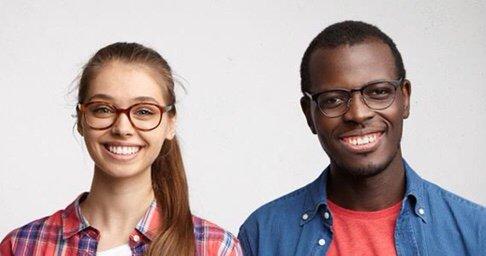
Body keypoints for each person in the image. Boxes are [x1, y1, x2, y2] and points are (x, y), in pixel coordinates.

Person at [238, 21, 485, 255]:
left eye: (378, 92)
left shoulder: (476, 232)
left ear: (405, 98)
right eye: (333, 99)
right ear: (309, 114)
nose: (358, 113)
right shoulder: (263, 234)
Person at [0, 42, 241, 256]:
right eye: (103, 109)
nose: (122, 128)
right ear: (80, 119)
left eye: (144, 111)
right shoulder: (22, 246)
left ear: (170, 124)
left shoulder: (214, 248)